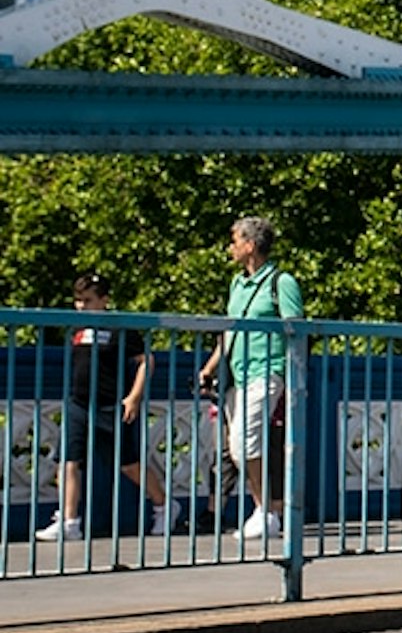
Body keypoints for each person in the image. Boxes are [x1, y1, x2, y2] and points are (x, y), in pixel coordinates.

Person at [36, 272, 179, 542]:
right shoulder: (75, 329)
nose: (81, 306)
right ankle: (69, 521)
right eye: (78, 300)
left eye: (87, 300)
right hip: (78, 402)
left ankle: (163, 504)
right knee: (68, 460)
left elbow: (146, 361)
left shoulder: (119, 327)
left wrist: (134, 396)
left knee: (128, 465)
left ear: (103, 301)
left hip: (110, 404)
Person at [198, 216, 304, 541]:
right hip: (237, 374)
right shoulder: (237, 284)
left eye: (235, 241)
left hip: (266, 369)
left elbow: (295, 329)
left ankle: (267, 511)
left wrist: (296, 380)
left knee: (246, 442)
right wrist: (211, 367)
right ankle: (264, 510)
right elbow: (231, 330)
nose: (231, 247)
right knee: (236, 446)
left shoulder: (281, 282)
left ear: (251, 245)